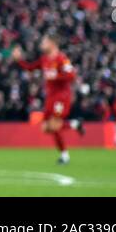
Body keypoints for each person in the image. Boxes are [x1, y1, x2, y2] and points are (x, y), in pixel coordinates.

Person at [14, 36, 80, 164]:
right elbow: (30, 67)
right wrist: (19, 60)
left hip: (62, 97)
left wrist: (56, 75)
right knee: (46, 128)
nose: (41, 44)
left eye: (44, 42)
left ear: (52, 43)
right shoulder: (44, 59)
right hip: (50, 97)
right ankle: (74, 124)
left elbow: (71, 75)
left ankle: (64, 156)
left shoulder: (62, 58)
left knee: (54, 125)